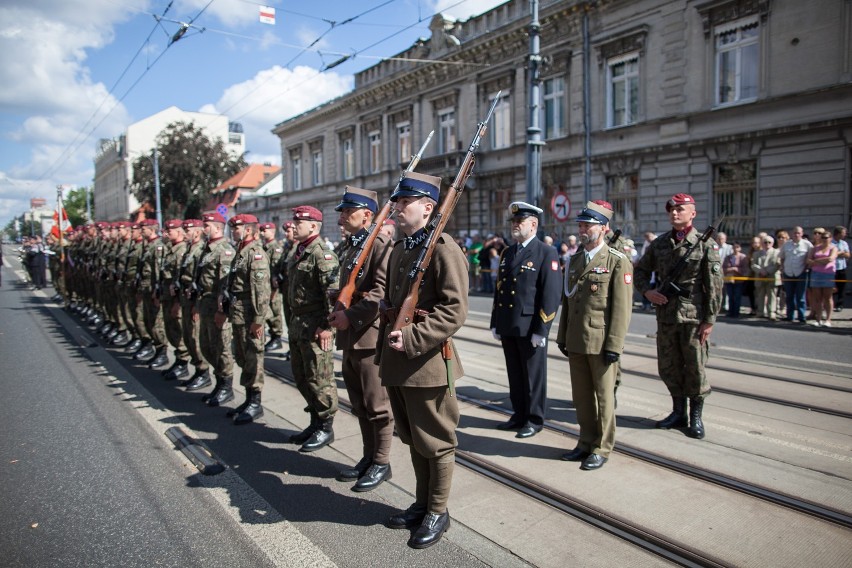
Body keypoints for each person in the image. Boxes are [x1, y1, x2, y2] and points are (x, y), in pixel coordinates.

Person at [376, 171, 468, 549]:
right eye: (397, 202)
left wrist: (412, 335)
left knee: (437, 442)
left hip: (427, 361)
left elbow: (455, 310)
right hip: (398, 361)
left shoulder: (443, 247)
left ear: (428, 207)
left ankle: (438, 511)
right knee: (413, 439)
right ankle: (422, 503)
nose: (396, 208)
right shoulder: (401, 248)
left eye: (404, 203)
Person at [634, 193, 723, 440]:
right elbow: (640, 270)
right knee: (668, 365)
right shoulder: (660, 243)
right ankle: (677, 412)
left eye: (680, 209)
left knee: (695, 366)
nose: (675, 213)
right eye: (671, 209)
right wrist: (648, 292)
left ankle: (695, 417)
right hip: (666, 315)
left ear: (692, 213)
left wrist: (710, 320)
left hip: (694, 316)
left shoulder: (705, 244)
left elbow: (714, 284)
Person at [556, 200, 633, 470]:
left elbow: (621, 309)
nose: (582, 229)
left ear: (604, 229)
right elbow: (568, 301)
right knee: (581, 397)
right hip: (577, 340)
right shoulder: (575, 260)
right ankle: (585, 441)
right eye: (581, 224)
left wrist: (615, 345)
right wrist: (562, 335)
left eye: (588, 225)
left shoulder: (616, 261)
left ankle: (602, 447)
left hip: (601, 343)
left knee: (604, 398)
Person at [328, 186, 395, 491]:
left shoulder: (378, 243)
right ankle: (368, 458)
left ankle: (381, 462)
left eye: (347, 211)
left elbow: (381, 293)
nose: (342, 217)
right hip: (351, 337)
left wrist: (350, 316)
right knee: (358, 402)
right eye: (342, 211)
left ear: (367, 215)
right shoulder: (355, 246)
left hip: (368, 336)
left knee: (376, 404)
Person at [490, 202, 561, 439]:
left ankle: (534, 418)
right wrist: (495, 322)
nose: (515, 226)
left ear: (533, 225)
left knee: (533, 376)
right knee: (515, 374)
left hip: (530, 326)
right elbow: (500, 289)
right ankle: (519, 414)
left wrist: (542, 328)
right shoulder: (508, 252)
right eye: (513, 223)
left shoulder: (546, 252)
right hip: (509, 323)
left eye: (520, 222)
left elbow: (550, 294)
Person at [286, 206, 340, 452]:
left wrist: (327, 326)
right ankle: (315, 421)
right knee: (302, 376)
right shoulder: (298, 252)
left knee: (320, 378)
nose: (293, 225)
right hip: (299, 325)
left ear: (314, 226)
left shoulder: (322, 254)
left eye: (299, 221)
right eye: (295, 221)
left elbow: (332, 295)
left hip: (317, 327)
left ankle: (325, 427)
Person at [222, 214, 271, 424]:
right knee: (243, 357)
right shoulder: (240, 252)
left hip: (251, 316)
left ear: (248, 230)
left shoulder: (255, 253)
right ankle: (249, 398)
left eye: (236, 228)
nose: (233, 231)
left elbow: (261, 290)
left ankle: (255, 403)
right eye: (232, 228)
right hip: (239, 314)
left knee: (254, 359)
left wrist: (258, 319)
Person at [191, 212, 236, 404]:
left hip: (216, 306)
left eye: (206, 225)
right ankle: (218, 382)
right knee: (207, 346)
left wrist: (221, 310)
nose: (203, 229)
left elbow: (225, 284)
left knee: (222, 347)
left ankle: (226, 386)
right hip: (205, 303)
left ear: (217, 227)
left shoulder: (224, 250)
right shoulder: (206, 250)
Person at [176, 219, 210, 386]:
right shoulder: (190, 250)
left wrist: (197, 305)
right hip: (186, 298)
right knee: (188, 336)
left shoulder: (200, 251)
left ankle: (203, 371)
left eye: (187, 231)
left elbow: (201, 281)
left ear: (197, 232)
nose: (184, 234)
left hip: (195, 301)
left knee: (195, 338)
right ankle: (197, 369)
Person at [160, 219, 190, 380]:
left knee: (178, 331)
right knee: (171, 330)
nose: (165, 233)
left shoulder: (181, 251)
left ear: (179, 232)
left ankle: (182, 362)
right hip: (168, 296)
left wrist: (177, 303)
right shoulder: (171, 249)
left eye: (169, 231)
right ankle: (179, 360)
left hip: (176, 299)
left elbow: (180, 279)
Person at [136, 219, 168, 368]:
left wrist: (157, 291)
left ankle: (162, 352)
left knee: (156, 323)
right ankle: (155, 349)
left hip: (153, 290)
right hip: (146, 289)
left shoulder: (158, 247)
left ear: (151, 229)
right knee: (148, 320)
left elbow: (158, 270)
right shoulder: (147, 245)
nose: (141, 231)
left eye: (144, 228)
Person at [259, 222, 286, 353]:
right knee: (267, 312)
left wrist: (274, 288)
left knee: (274, 312)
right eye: (261, 230)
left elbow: (276, 268)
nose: (262, 233)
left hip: (272, 286)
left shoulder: (276, 248)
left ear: (273, 231)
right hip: (264, 286)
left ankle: (277, 337)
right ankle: (273, 336)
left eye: (265, 230)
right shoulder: (263, 247)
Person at [779, 226, 812, 323]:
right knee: (789, 296)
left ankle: (802, 317)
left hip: (801, 273)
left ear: (802, 233)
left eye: (798, 233)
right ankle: (790, 316)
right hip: (788, 273)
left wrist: (806, 269)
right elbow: (782, 257)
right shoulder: (786, 245)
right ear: (792, 234)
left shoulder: (807, 245)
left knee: (800, 297)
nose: (796, 235)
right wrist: (783, 269)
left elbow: (809, 259)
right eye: (794, 233)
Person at [806, 227, 837, 327]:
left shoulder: (833, 248)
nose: (824, 239)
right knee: (817, 298)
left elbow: (830, 259)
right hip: (816, 274)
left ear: (830, 238)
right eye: (823, 237)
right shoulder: (815, 248)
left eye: (826, 237)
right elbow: (808, 261)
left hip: (828, 274)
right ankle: (818, 319)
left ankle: (828, 319)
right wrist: (819, 262)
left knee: (827, 297)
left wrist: (815, 261)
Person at [751, 235, 780, 320]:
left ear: (772, 243)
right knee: (760, 295)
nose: (767, 244)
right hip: (760, 277)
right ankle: (760, 312)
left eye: (769, 242)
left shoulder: (776, 252)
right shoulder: (756, 253)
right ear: (762, 243)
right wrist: (760, 271)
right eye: (765, 242)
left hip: (772, 277)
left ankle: (771, 312)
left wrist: (767, 271)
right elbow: (753, 265)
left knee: (772, 296)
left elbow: (776, 265)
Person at [722, 243, 747, 318]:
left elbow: (745, 269)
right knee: (730, 296)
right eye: (734, 247)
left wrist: (737, 270)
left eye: (737, 247)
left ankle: (736, 312)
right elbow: (724, 268)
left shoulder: (743, 257)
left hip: (739, 280)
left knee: (737, 296)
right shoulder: (728, 257)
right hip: (729, 279)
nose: (736, 249)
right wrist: (731, 269)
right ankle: (730, 312)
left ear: (740, 248)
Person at [832, 226, 849, 311]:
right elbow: (830, 255)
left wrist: (837, 253)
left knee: (842, 287)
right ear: (838, 233)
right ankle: (830, 304)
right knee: (831, 287)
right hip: (832, 269)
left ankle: (840, 304)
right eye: (843, 233)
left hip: (842, 268)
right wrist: (841, 252)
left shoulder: (844, 243)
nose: (845, 234)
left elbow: (848, 255)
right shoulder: (830, 242)